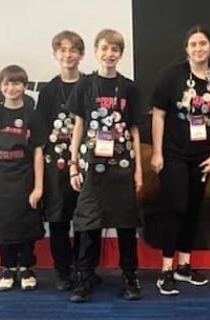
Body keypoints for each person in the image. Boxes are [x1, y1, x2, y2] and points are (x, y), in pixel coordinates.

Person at [67, 29, 143, 302]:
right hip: (91, 166)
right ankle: (84, 278)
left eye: (115, 50)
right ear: (96, 51)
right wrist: (73, 164)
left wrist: (138, 171)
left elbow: (134, 129)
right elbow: (78, 125)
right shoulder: (84, 86)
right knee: (88, 224)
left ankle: (130, 276)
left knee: (125, 224)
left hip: (122, 166)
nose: (109, 54)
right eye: (104, 49)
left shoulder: (130, 87)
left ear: (120, 55)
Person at [150, 25, 210, 295]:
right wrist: (157, 153)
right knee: (176, 208)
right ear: (186, 49)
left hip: (203, 157)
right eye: (193, 44)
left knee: (194, 209)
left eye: (203, 43)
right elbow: (158, 115)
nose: (198, 48)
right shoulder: (171, 75)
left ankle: (184, 265)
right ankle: (166, 269)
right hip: (173, 154)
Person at [0, 65, 46, 291]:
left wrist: (38, 187)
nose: (12, 88)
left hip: (25, 178)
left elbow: (37, 152)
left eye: (16, 83)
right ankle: (7, 267)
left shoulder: (33, 115)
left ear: (25, 87)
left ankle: (26, 267)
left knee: (27, 225)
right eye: (7, 83)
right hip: (0, 180)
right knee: (3, 225)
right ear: (0, 87)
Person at [36, 30, 85, 291]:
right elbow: (41, 132)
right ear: (55, 54)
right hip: (55, 165)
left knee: (86, 220)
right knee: (58, 220)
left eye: (73, 50)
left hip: (86, 163)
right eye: (63, 50)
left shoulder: (91, 84)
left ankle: (84, 269)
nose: (68, 55)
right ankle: (62, 271)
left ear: (81, 55)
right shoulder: (48, 91)